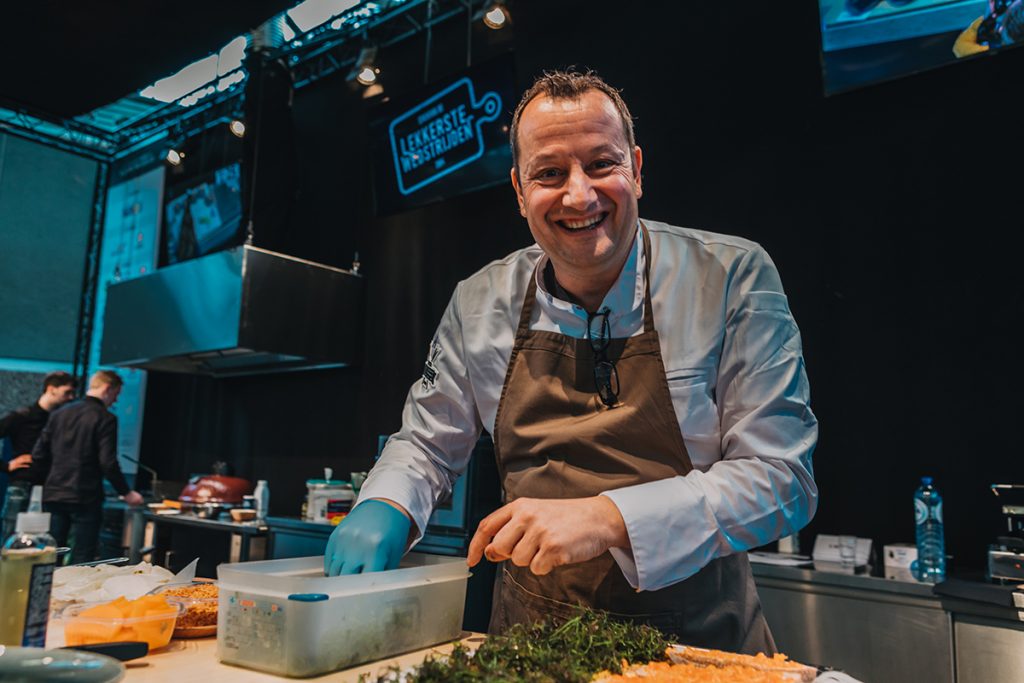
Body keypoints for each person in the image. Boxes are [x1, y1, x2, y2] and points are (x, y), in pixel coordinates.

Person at [325, 70, 818, 654]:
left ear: (636, 167)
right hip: (531, 647)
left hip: (698, 645)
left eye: (601, 164)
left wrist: (608, 518)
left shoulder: (732, 277)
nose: (579, 195)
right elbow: (427, 444)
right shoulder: (479, 302)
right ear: (518, 189)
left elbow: (782, 480)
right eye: (550, 173)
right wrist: (385, 502)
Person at [31, 370, 144, 564]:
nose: (115, 401)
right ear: (107, 389)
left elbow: (38, 455)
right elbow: (108, 462)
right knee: (82, 558)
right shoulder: (105, 418)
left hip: (54, 494)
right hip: (85, 496)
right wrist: (126, 493)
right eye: (116, 394)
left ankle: (45, 593)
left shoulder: (58, 413)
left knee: (51, 553)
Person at [0, 371, 77, 540]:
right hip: (23, 483)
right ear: (51, 389)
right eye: (67, 392)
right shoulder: (21, 416)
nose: (71, 397)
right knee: (11, 535)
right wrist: (6, 466)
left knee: (44, 539)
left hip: (50, 488)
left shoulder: (60, 419)